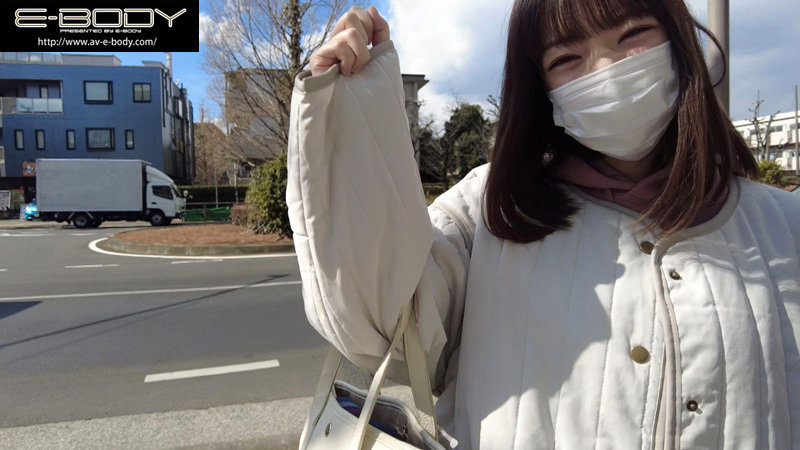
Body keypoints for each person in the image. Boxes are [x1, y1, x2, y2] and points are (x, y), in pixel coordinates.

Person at [287, 0, 800, 448]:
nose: (607, 69)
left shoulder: (785, 225)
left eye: (632, 34)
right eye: (567, 58)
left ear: (678, 40)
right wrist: (351, 122)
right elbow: (382, 324)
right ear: (542, 88)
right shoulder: (487, 210)